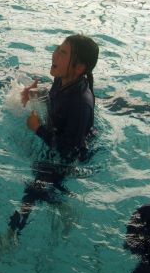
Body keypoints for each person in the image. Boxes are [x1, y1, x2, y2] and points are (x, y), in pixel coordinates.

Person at [8, 34, 99, 233]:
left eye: (63, 53)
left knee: (34, 189)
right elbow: (55, 104)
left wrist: (38, 129)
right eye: (57, 49)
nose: (55, 54)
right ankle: (59, 203)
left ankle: (11, 235)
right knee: (37, 183)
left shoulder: (81, 103)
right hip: (61, 138)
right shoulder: (62, 79)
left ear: (79, 67)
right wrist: (34, 96)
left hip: (73, 157)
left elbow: (68, 149)